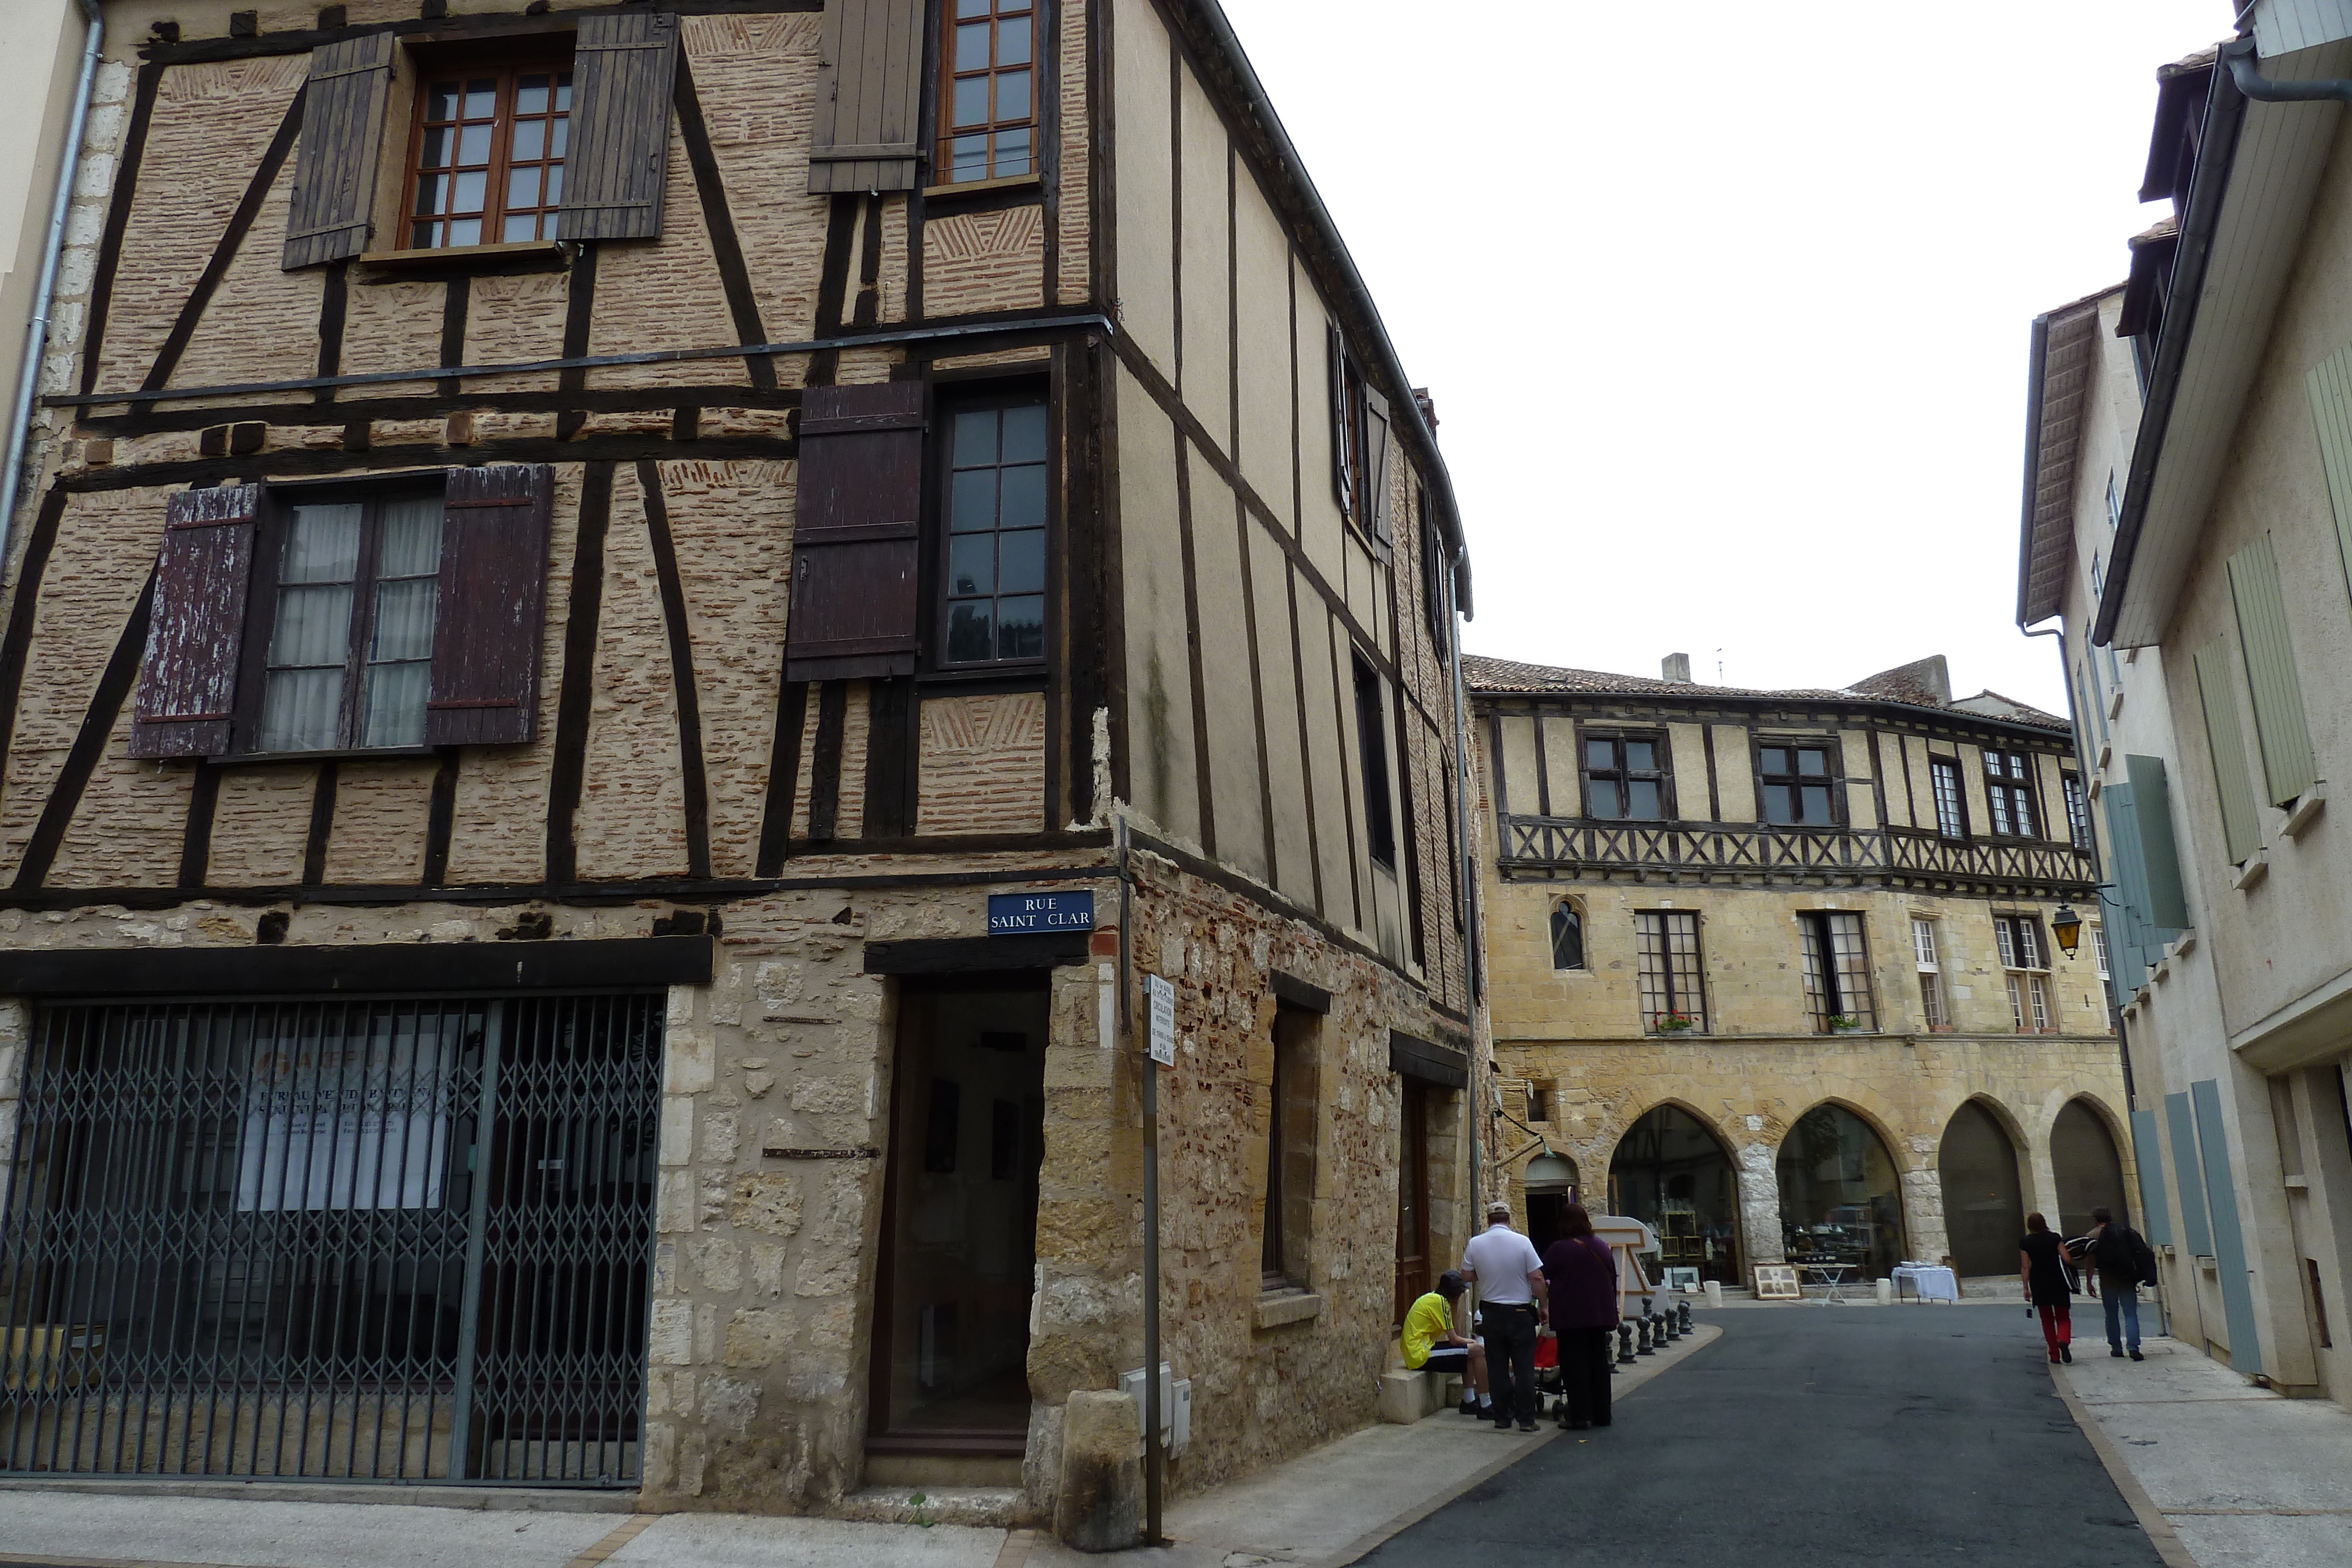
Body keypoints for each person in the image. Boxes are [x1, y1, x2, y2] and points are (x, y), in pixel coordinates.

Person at [1461, 1199, 1548, 1432]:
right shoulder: (1523, 1243)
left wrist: (1485, 1274)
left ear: (1488, 1220)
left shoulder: (1476, 1244)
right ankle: (1527, 1419)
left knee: (1497, 1367)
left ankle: (1502, 1417)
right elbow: (1537, 1278)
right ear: (1509, 1219)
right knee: (1523, 1368)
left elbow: (1466, 1276)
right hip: (1520, 1312)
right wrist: (1543, 1305)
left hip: (1491, 1312)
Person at [1540, 1202, 1619, 1430]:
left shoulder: (1560, 1249)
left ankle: (1579, 1415)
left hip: (1571, 1317)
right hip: (1600, 1315)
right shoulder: (1602, 1246)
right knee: (1599, 1363)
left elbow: (1542, 1274)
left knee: (1575, 1366)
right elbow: (1612, 1277)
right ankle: (1602, 1414)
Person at [1401, 1271, 1492, 1419]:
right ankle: (1486, 1404)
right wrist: (1474, 1343)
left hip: (1421, 1349)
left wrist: (1455, 1307)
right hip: (1420, 1355)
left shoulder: (1436, 1299)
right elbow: (1455, 1340)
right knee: (1477, 1351)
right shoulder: (1439, 1302)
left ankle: (1469, 1401)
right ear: (1455, 1293)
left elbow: (1456, 1334)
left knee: (1469, 1352)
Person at [2077, 1206, 2158, 1360]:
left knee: (2111, 1313)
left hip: (2107, 1278)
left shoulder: (2093, 1236)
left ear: (2095, 1219)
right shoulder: (2125, 1231)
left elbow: (2091, 1262)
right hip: (2127, 1277)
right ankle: (2133, 1347)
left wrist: (2089, 1282)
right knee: (2130, 1313)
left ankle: (2116, 1347)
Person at [2020, 1212, 2076, 1364]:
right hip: (2058, 1280)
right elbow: (2067, 1259)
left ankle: (2054, 1354)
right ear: (2044, 1223)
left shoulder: (2026, 1242)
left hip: (2039, 1283)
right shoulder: (2055, 1238)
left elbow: (2026, 1267)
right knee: (2063, 1317)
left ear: (2029, 1226)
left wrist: (2026, 1287)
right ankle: (2064, 1339)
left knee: (2047, 1320)